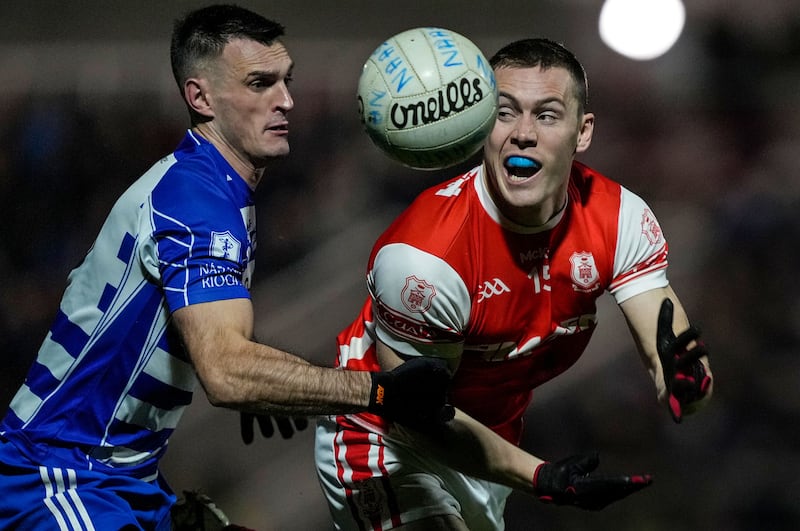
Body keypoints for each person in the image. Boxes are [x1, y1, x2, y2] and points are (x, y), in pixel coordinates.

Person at [0, 5, 452, 530]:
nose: (286, 100)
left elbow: (209, 330)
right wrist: (381, 392)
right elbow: (227, 373)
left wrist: (269, 372)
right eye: (260, 83)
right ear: (201, 97)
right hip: (60, 475)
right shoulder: (198, 202)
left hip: (124, 478)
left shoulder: (209, 187)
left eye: (286, 81)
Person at [313, 38, 714, 530]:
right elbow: (416, 414)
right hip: (385, 436)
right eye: (504, 113)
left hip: (491, 447)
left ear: (582, 132)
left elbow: (669, 349)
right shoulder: (425, 259)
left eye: (546, 115)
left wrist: (690, 385)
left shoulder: (620, 219)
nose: (522, 134)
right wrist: (541, 476)